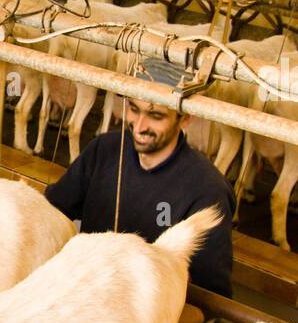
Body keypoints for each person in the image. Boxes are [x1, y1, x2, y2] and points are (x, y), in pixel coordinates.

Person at [45, 58, 235, 295]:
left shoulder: (207, 192)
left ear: (186, 118)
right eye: (134, 109)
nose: (139, 126)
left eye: (156, 116)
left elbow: (210, 297)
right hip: (80, 292)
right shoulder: (105, 150)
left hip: (144, 319)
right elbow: (52, 212)